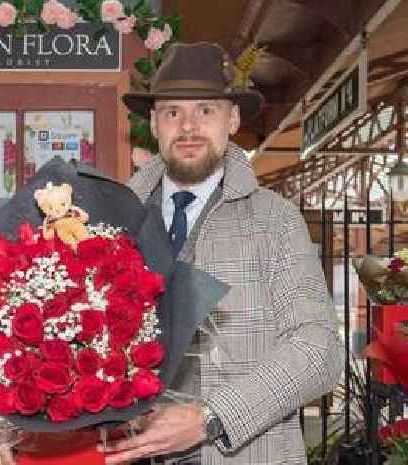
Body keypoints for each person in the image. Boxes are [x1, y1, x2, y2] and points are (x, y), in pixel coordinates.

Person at [97, 42, 344, 465]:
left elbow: (318, 349)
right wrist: (18, 430)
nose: (188, 126)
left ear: (232, 120)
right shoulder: (110, 220)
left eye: (206, 110)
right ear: (154, 124)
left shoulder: (275, 221)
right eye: (173, 112)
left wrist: (212, 416)